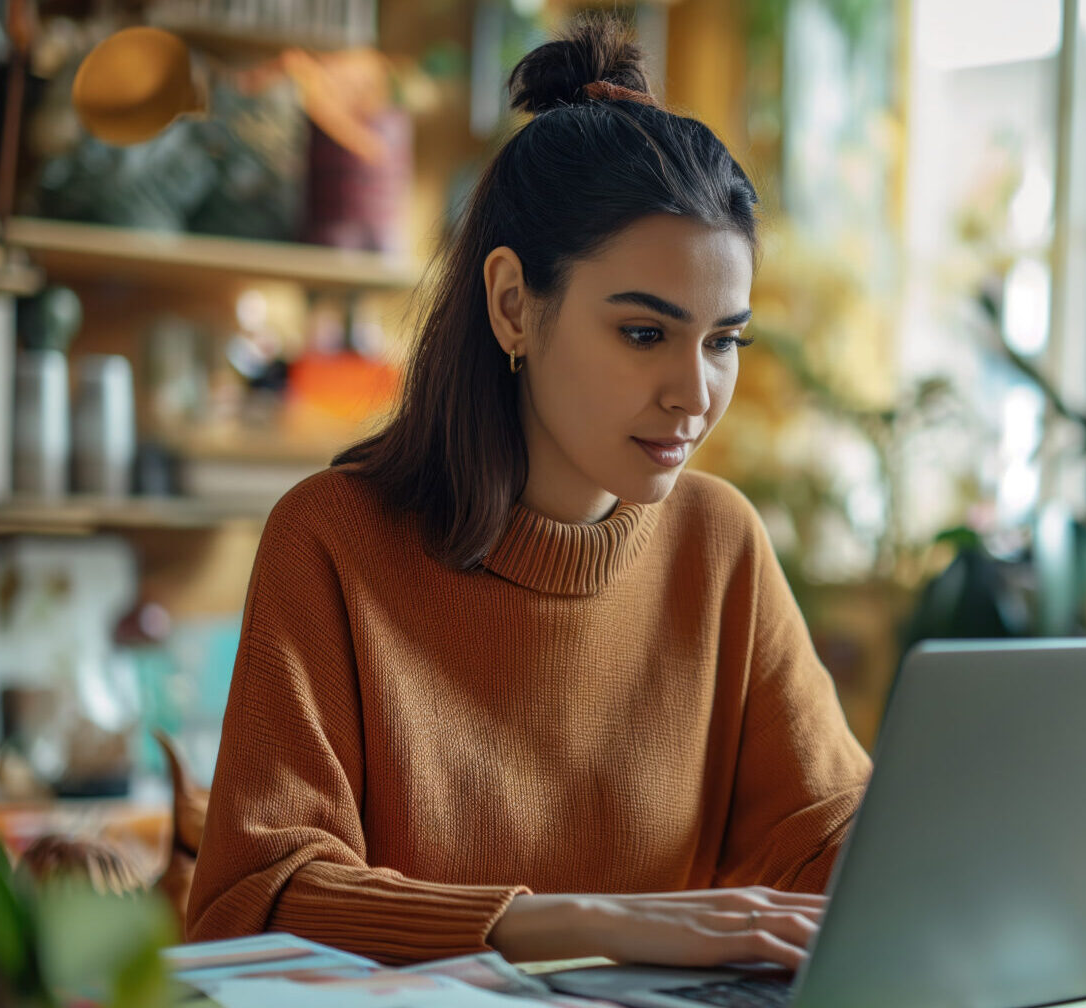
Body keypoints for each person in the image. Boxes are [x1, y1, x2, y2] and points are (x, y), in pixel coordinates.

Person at [184, 16, 874, 972]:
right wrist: (578, 923)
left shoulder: (720, 543)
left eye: (723, 340)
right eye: (644, 333)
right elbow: (254, 900)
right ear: (513, 303)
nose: (694, 392)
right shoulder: (331, 540)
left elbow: (831, 838)